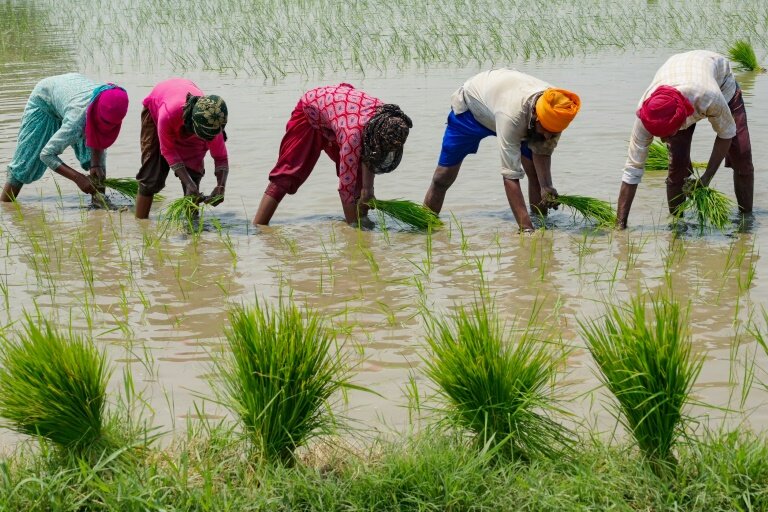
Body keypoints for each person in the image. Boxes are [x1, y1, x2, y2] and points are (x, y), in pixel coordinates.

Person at [422, 68, 581, 232]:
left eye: (553, 133)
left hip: (513, 112)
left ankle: (541, 223)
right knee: (442, 177)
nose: (549, 137)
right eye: (546, 131)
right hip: (472, 111)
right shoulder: (512, 116)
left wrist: (546, 186)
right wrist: (526, 230)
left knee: (534, 173)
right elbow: (510, 177)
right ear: (535, 116)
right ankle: (425, 226)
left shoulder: (557, 109)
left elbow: (542, 151)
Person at [616, 50, 753, 228]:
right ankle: (678, 224)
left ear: (682, 120)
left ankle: (746, 222)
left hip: (719, 80)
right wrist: (620, 225)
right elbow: (632, 171)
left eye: (666, 135)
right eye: (659, 135)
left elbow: (726, 133)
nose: (663, 141)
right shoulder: (646, 114)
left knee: (742, 154)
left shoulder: (709, 97)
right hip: (678, 73)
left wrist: (706, 178)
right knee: (677, 163)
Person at [252, 83, 412, 226]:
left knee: (358, 178)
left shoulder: (387, 118)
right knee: (287, 175)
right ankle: (257, 228)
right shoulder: (353, 137)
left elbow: (370, 152)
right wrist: (354, 232)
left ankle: (363, 220)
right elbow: (345, 189)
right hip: (310, 113)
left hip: (340, 114)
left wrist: (368, 190)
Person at [1, 73, 129, 203]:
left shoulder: (112, 98)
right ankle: (5, 205)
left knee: (98, 165)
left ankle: (100, 204)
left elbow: (98, 136)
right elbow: (46, 155)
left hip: (70, 94)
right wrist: (78, 178)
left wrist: (95, 164)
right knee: (24, 163)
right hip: (44, 101)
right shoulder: (76, 122)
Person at [135, 78, 229, 219]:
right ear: (193, 125)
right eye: (204, 136)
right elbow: (168, 151)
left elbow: (221, 158)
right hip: (157, 107)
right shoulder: (168, 114)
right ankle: (140, 224)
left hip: (193, 121)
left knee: (194, 175)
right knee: (151, 176)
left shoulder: (212, 121)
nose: (209, 141)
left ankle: (192, 229)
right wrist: (187, 182)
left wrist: (221, 186)